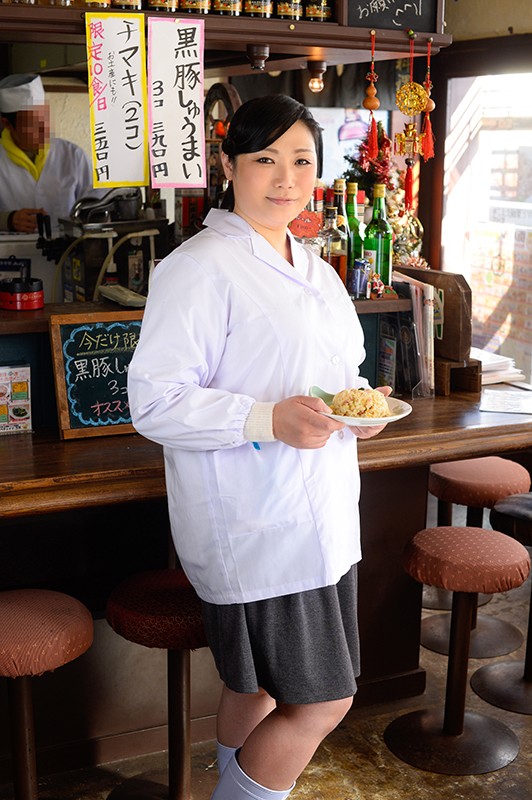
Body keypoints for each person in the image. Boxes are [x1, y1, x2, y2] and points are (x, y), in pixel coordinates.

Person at [127, 94, 392, 800]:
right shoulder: (198, 267)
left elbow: (338, 378)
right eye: (265, 159)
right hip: (258, 527)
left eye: (301, 160)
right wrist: (267, 421)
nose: (286, 178)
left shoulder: (316, 271)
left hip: (322, 518)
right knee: (323, 702)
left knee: (257, 689)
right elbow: (153, 401)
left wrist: (357, 410)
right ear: (228, 165)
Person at [0, 73, 96, 234]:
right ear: (7, 124)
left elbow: (96, 204)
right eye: (32, 124)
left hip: (69, 248)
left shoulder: (73, 155)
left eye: (45, 117)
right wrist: (7, 220)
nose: (44, 129)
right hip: (13, 249)